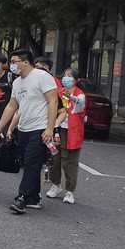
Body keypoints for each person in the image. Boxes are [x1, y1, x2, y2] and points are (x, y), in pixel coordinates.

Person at [0, 49, 59, 215]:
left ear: (26, 62)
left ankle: (22, 198)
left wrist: (50, 128)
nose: (11, 65)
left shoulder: (42, 77)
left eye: (14, 62)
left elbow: (53, 102)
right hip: (23, 128)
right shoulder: (17, 83)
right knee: (28, 162)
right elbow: (11, 106)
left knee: (31, 161)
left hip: (40, 127)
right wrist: (0, 127)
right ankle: (34, 198)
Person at [47, 67, 86, 204]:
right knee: (54, 158)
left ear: (77, 80)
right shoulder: (58, 92)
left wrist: (71, 97)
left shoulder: (80, 95)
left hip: (71, 132)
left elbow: (79, 104)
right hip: (56, 129)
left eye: (70, 76)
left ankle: (70, 191)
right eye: (65, 75)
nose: (66, 78)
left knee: (70, 162)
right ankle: (55, 185)